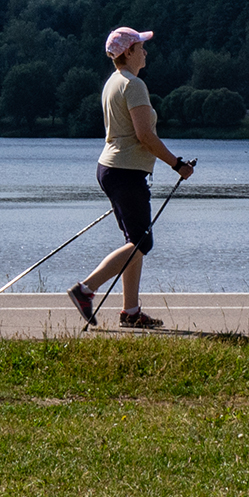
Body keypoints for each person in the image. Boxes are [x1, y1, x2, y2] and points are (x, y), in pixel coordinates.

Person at [68, 25, 194, 329]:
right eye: (140, 46)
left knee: (133, 242)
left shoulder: (113, 82)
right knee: (141, 242)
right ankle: (85, 290)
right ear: (128, 52)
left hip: (113, 169)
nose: (145, 51)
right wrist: (177, 164)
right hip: (125, 171)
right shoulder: (133, 85)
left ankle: (131, 311)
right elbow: (144, 135)